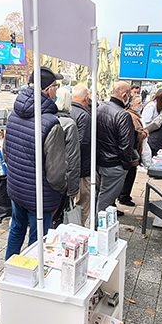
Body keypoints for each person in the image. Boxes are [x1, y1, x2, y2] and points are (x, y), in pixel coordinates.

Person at [4, 66, 67, 259]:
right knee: (38, 238)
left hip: (16, 187)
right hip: (40, 194)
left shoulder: (14, 114)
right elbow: (56, 172)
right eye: (56, 86)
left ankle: (10, 269)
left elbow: (6, 151)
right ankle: (31, 279)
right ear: (48, 90)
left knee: (16, 227)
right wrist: (62, 190)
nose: (57, 90)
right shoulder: (51, 123)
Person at [97, 80, 136, 216]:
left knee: (101, 195)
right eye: (130, 94)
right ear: (124, 95)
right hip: (114, 164)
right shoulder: (123, 115)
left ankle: (97, 223)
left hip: (100, 160)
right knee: (105, 199)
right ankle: (97, 227)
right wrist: (126, 165)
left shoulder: (100, 108)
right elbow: (126, 145)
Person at [51, 86, 81, 226]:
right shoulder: (69, 124)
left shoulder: (41, 118)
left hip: (41, 179)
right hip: (61, 180)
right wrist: (73, 188)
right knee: (58, 217)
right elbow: (73, 158)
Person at [119, 94, 148, 207]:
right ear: (131, 104)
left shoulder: (134, 115)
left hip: (132, 150)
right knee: (129, 175)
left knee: (130, 175)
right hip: (131, 150)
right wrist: (144, 133)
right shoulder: (131, 116)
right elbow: (135, 133)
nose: (140, 105)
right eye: (138, 103)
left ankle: (124, 195)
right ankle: (123, 196)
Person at [71, 84, 93, 226]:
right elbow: (82, 144)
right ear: (86, 98)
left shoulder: (66, 110)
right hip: (82, 168)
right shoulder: (84, 115)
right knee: (83, 202)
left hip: (68, 166)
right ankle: (80, 228)